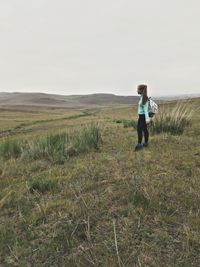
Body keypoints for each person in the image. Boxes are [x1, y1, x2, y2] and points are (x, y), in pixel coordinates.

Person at [135, 84, 151, 151]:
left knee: (140, 130)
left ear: (141, 90)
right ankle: (146, 143)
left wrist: (147, 119)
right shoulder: (142, 97)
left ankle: (139, 145)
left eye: (138, 89)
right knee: (144, 130)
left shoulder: (144, 98)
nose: (137, 90)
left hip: (143, 117)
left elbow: (145, 109)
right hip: (141, 117)